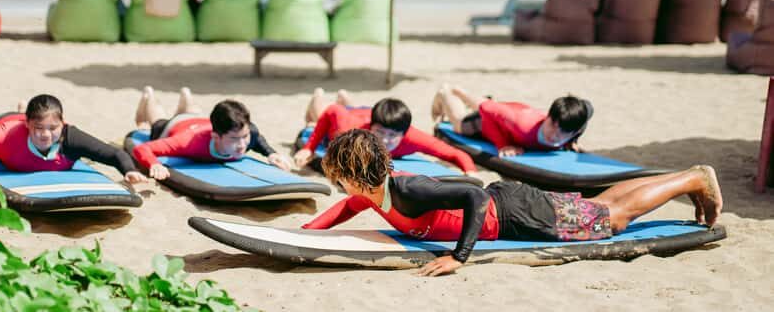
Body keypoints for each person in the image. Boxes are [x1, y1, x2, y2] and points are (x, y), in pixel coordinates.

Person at [304, 129, 723, 276]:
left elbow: (471, 193)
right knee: (601, 203)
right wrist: (305, 236)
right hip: (511, 203)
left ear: (354, 175)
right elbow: (348, 208)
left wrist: (459, 257)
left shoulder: (408, 191)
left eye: (338, 177)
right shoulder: (373, 194)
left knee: (608, 220)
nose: (336, 185)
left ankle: (693, 177)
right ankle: (682, 178)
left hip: (515, 214)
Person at [293, 88, 478, 176]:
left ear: (402, 134)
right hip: (352, 116)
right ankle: (318, 94)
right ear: (371, 128)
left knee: (353, 109)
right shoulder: (352, 131)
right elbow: (332, 111)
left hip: (371, 112)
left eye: (392, 136)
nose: (385, 140)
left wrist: (471, 172)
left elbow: (456, 154)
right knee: (317, 115)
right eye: (380, 133)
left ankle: (347, 98)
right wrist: (309, 148)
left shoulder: (412, 137)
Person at [0, 94, 147, 184]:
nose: (46, 134)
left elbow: (113, 153)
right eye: (39, 129)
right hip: (4, 121)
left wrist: (129, 170)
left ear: (62, 123)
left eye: (53, 128)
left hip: (31, 116)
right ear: (28, 125)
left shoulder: (71, 138)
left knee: (40, 117)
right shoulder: (4, 137)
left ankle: (24, 107)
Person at [131, 86, 290, 180]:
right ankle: (149, 96)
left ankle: (186, 97)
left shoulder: (249, 133)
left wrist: (271, 153)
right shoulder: (187, 143)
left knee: (193, 111)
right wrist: (154, 164)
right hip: (178, 126)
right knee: (157, 122)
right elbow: (142, 149)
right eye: (234, 139)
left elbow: (257, 138)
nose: (242, 145)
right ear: (216, 137)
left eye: (244, 137)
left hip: (199, 118)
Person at [431, 85, 591, 157]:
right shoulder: (523, 125)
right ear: (548, 117)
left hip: (510, 111)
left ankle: (462, 93)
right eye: (552, 125)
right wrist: (503, 144)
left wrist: (572, 141)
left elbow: (588, 108)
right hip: (492, 119)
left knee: (492, 107)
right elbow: (486, 109)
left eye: (563, 131)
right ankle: (447, 92)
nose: (554, 135)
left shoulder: (576, 126)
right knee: (459, 124)